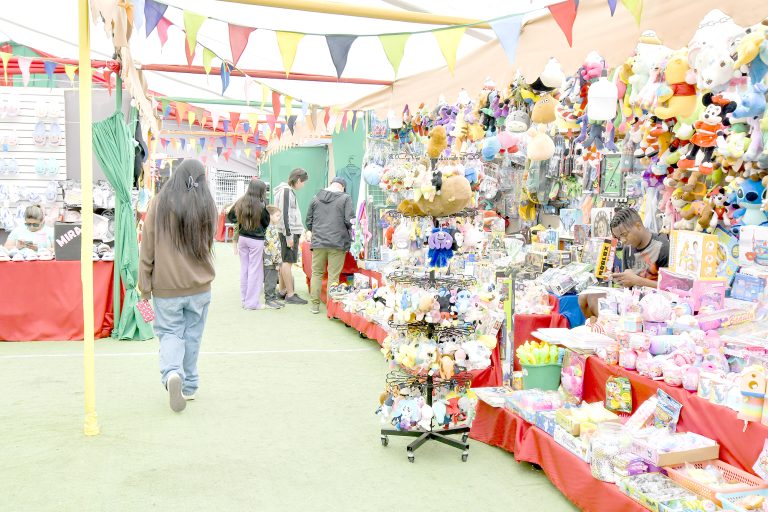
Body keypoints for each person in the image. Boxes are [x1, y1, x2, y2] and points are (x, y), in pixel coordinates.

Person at [139, 159, 217, 413]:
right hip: (200, 287)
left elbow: (147, 247)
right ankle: (190, 386)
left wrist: (144, 287)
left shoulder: (159, 203)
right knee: (193, 337)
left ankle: (173, 373)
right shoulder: (207, 204)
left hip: (166, 287)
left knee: (170, 334)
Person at [578, 207, 669, 319]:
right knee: (583, 297)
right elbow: (628, 287)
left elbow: (670, 290)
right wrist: (620, 279)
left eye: (624, 234)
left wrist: (636, 280)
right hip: (633, 298)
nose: (623, 240)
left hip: (655, 303)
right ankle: (600, 326)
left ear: (638, 226)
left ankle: (611, 327)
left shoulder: (662, 247)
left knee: (593, 299)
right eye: (619, 237)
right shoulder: (628, 248)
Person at [305, 177, 354, 314]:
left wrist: (317, 232)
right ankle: (330, 309)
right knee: (333, 276)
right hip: (338, 243)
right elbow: (350, 221)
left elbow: (308, 221)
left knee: (316, 273)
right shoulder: (345, 198)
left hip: (318, 242)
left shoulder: (315, 198)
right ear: (342, 187)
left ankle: (314, 305)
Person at [228, 179, 271, 310]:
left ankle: (244, 300)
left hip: (242, 238)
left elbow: (231, 217)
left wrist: (242, 221)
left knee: (244, 269)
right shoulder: (262, 204)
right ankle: (252, 303)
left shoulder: (241, 201)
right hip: (256, 240)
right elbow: (266, 222)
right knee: (255, 271)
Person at [273, 168, 309, 305]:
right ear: (298, 180)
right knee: (287, 262)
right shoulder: (286, 191)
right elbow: (285, 214)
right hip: (289, 232)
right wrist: (289, 235)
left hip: (287, 231)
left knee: (285, 261)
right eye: (303, 182)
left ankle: (283, 291)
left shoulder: (285, 191)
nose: (303, 185)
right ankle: (290, 294)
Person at [263, 205, 285, 309]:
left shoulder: (272, 227)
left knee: (273, 279)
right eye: (277, 215)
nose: (279, 218)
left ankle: (273, 298)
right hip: (270, 261)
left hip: (273, 260)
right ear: (270, 216)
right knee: (270, 281)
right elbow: (272, 247)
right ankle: (269, 299)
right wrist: (277, 262)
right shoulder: (269, 229)